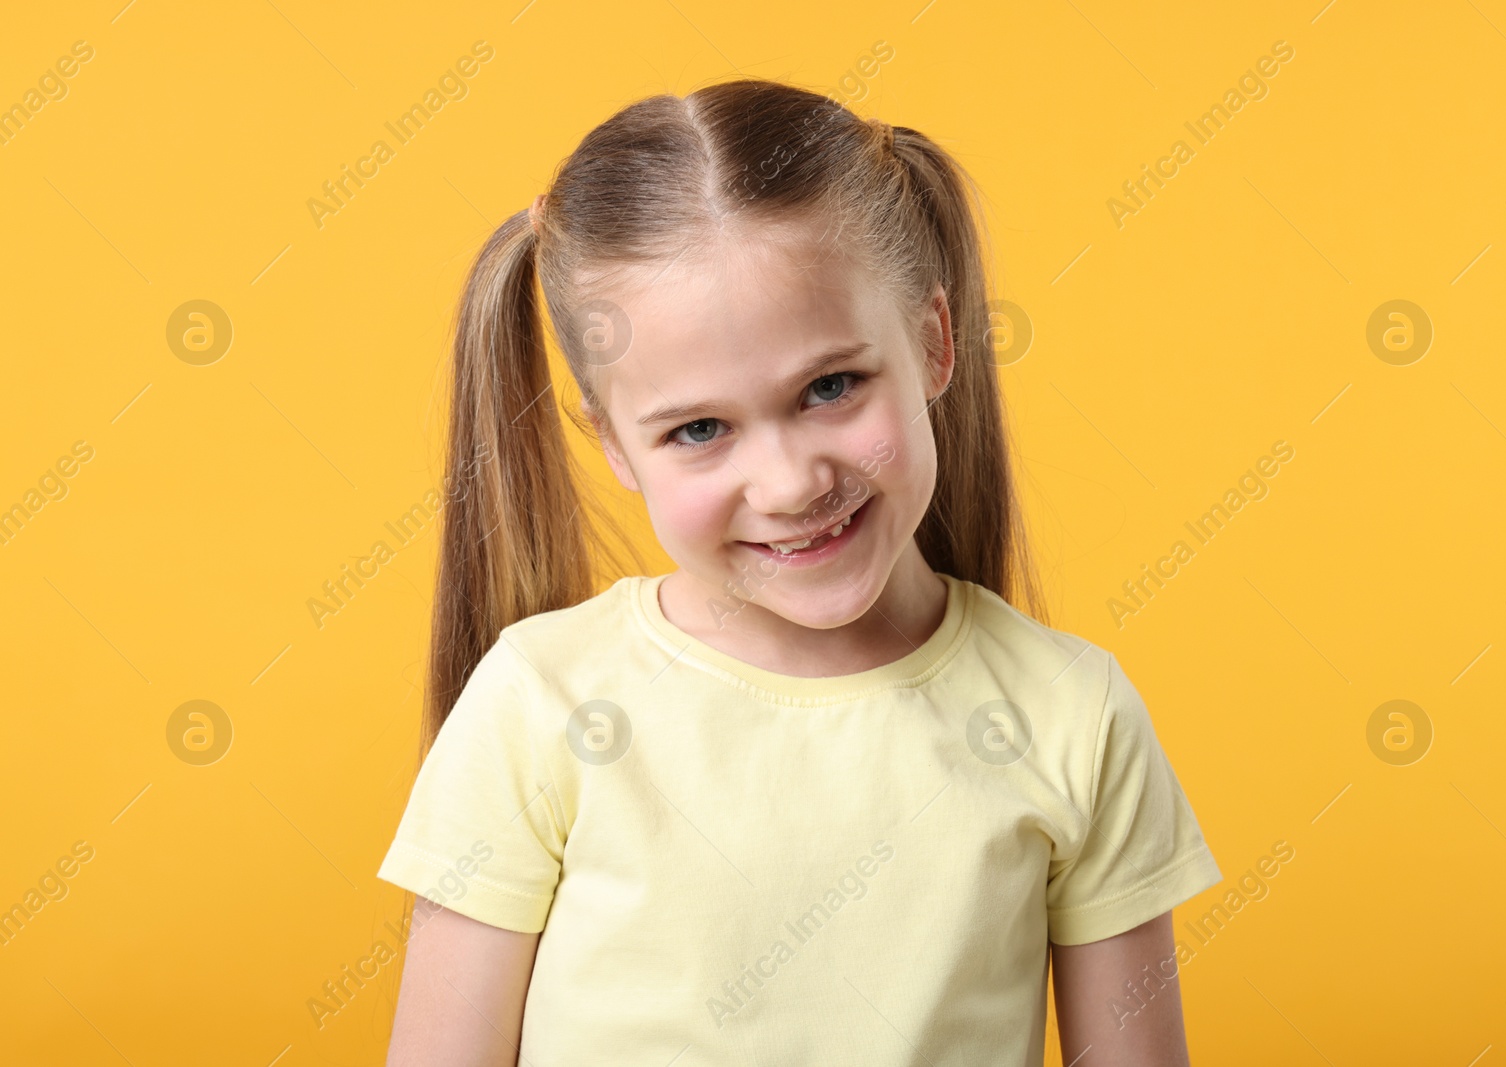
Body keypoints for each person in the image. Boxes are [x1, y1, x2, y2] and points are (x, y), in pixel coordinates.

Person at [376, 76, 1223, 1066]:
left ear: (934, 341)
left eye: (831, 386)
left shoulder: (1075, 715)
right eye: (698, 428)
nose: (786, 482)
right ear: (612, 444)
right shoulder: (540, 701)